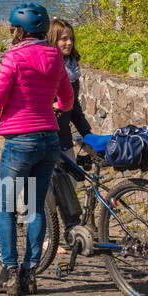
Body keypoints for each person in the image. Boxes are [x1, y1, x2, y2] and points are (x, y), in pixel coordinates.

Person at [0, 3, 74, 296]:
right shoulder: (56, 58)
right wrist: (54, 109)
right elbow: (67, 100)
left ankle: (10, 273)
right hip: (50, 138)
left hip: (21, 139)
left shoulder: (15, 57)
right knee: (36, 206)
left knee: (5, 206)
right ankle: (30, 273)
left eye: (13, 28)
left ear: (19, 31)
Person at [46, 17, 93, 244]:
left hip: (64, 137)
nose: (68, 43)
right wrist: (51, 106)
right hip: (46, 135)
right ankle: (46, 236)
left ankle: (69, 231)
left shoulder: (72, 68)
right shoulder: (47, 67)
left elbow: (75, 108)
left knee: (70, 185)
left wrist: (89, 136)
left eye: (71, 38)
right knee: (48, 190)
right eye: (63, 39)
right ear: (52, 40)